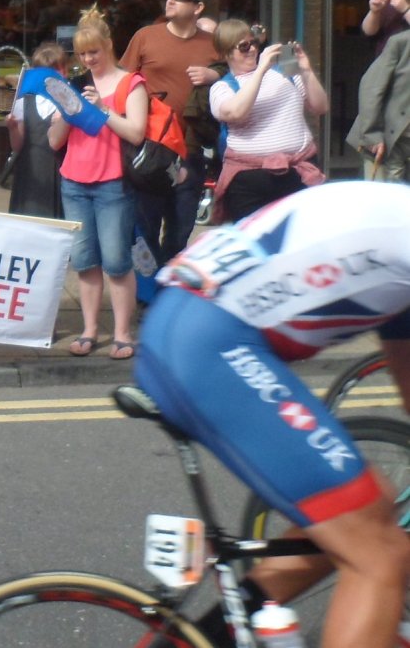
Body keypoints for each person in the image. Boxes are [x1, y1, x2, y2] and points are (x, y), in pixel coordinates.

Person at [135, 180, 410, 648]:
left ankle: (196, 640)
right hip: (209, 344)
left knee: (367, 510)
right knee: (379, 555)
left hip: (190, 327)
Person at [47, 7, 147, 361]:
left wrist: (104, 110)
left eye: (95, 51)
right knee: (85, 260)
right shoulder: (74, 85)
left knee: (118, 262)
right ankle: (89, 330)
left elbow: (136, 131)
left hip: (113, 184)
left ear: (109, 46)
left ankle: (122, 333)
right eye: (83, 53)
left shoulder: (130, 83)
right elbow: (54, 142)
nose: (89, 59)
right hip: (74, 181)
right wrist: (65, 114)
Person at [119, 0, 219, 265]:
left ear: (198, 7)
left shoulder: (213, 45)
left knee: (180, 231)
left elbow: (240, 80)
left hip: (190, 148)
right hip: (150, 149)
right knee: (145, 227)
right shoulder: (146, 36)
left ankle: (168, 288)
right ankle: (147, 296)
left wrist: (216, 75)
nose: (171, 0)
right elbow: (123, 83)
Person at [208, 19, 328, 223]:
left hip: (297, 172)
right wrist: (261, 70)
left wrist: (306, 70)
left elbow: (321, 106)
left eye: (253, 43)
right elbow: (236, 112)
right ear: (227, 53)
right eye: (243, 47)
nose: (252, 50)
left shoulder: (285, 76)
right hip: (249, 181)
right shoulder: (222, 88)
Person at [7, 41, 69, 220]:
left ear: (65, 72)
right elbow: (18, 145)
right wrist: (12, 128)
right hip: (31, 174)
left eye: (56, 71)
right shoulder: (23, 101)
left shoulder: (71, 101)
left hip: (61, 174)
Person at [347, 28, 410, 183]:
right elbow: (372, 88)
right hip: (391, 135)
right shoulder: (401, 42)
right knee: (385, 197)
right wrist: (372, 134)